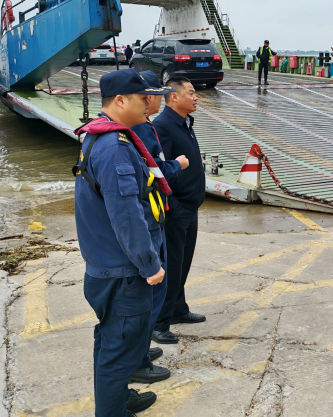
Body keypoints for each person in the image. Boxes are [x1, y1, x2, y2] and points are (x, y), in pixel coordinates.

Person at [72, 69, 172, 416]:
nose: (150, 104)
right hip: (123, 272)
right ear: (119, 101)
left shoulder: (101, 137)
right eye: (143, 98)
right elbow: (127, 215)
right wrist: (150, 263)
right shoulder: (115, 149)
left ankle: (116, 398)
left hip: (104, 267)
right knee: (118, 348)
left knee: (112, 341)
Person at [127, 71, 190, 385]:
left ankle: (139, 351)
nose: (155, 99)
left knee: (155, 289)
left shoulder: (145, 124)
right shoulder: (139, 127)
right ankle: (136, 357)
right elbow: (153, 172)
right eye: (152, 93)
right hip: (150, 219)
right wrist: (177, 165)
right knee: (151, 291)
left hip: (156, 216)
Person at [151, 76, 206, 344]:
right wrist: (175, 203)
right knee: (171, 265)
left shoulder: (184, 122)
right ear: (174, 96)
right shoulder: (163, 126)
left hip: (190, 206)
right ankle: (160, 322)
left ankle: (178, 309)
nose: (196, 97)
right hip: (177, 208)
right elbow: (163, 171)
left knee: (183, 262)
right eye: (192, 93)